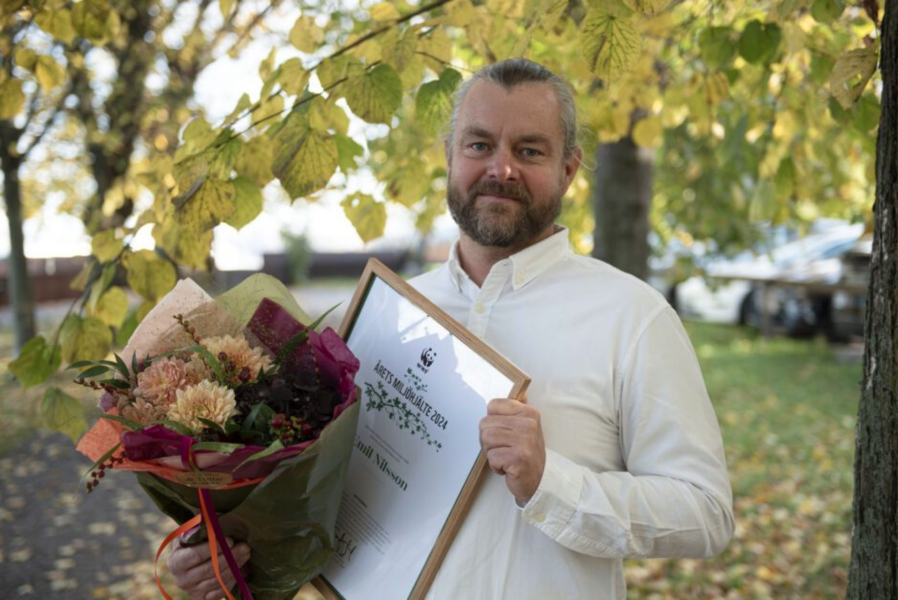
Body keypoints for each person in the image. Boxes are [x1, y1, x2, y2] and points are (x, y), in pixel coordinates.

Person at [169, 58, 734, 600]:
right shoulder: (374, 318)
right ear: (449, 155)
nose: (501, 168)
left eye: (529, 150)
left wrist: (548, 483)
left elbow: (705, 513)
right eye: (480, 144)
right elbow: (312, 497)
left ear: (568, 168)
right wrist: (226, 550)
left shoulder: (631, 315)